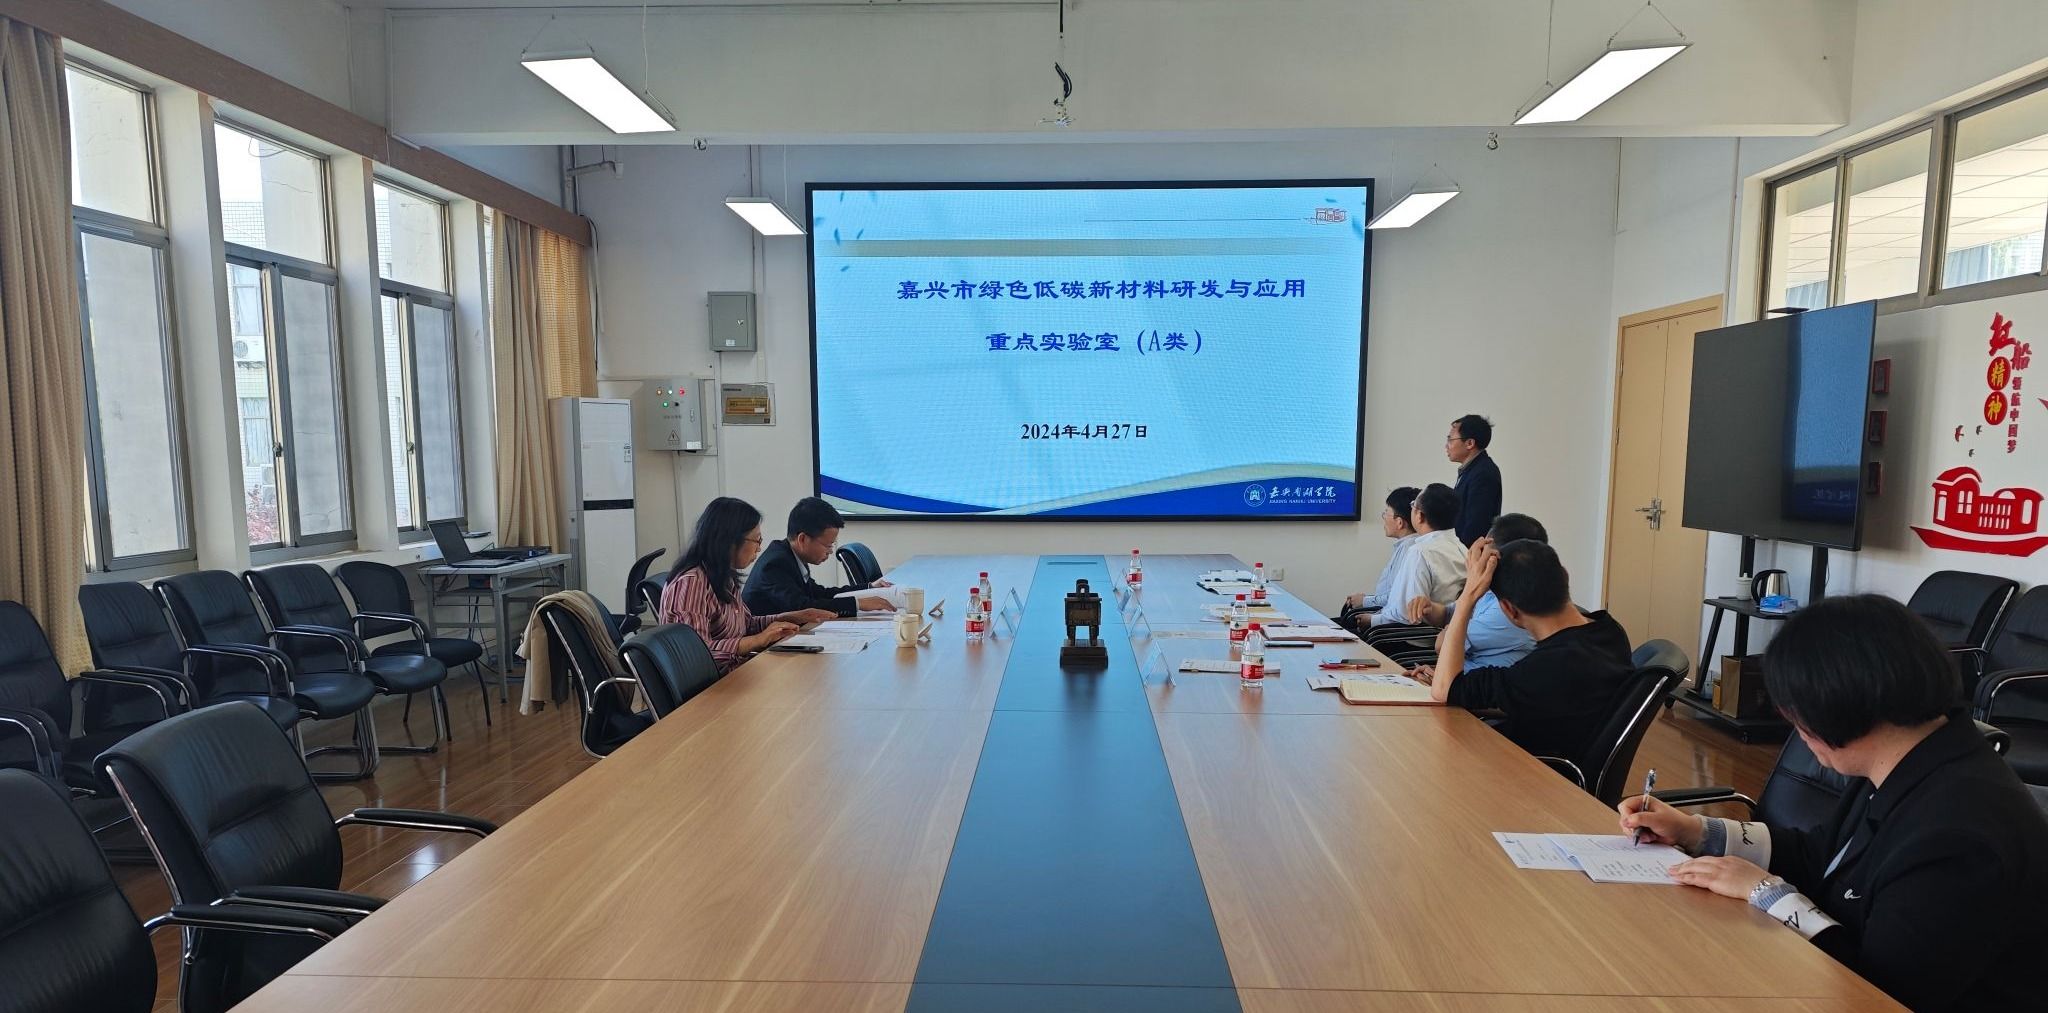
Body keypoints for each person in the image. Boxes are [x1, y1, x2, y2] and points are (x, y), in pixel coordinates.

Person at [1620, 595, 2048, 1012]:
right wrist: (1696, 832)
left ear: (1840, 703)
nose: (1796, 729)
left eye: (1795, 713)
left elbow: (1878, 992)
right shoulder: (1911, 759)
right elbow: (1821, 854)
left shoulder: (1959, 838)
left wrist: (1764, 892)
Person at [1411, 536, 1632, 761]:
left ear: (1509, 609)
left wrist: (1469, 596)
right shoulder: (1610, 631)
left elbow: (1444, 691)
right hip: (1554, 757)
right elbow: (1543, 700)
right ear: (1564, 576)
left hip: (1524, 770)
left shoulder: (1544, 668)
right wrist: (1462, 691)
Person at [658, 497, 837, 673]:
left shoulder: (723, 575)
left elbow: (747, 624)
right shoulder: (691, 583)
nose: (759, 548)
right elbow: (695, 654)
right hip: (713, 686)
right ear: (730, 541)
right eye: (757, 540)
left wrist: (794, 617)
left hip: (738, 672)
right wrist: (758, 640)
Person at [1383, 512, 1545, 668]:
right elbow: (1448, 614)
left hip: (1475, 684)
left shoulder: (1508, 608)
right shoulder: (1492, 591)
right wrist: (1429, 608)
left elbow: (1442, 644)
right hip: (1461, 678)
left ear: (1494, 557)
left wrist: (1472, 583)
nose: (1476, 556)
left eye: (1483, 549)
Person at [743, 497, 893, 618]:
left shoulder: (792, 555)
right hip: (766, 643)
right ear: (803, 539)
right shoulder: (775, 564)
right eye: (828, 545)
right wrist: (857, 604)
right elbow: (802, 607)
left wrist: (869, 587)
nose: (830, 551)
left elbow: (819, 594)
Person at [1364, 483, 1465, 634]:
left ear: (1420, 516)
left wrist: (1372, 620)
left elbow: (1406, 613)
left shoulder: (1420, 552)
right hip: (1445, 636)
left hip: (1406, 639)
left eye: (1413, 505)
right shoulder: (1463, 550)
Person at [1336, 486, 1420, 631]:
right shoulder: (1407, 546)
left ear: (1399, 522)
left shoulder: (1411, 550)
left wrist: (1365, 602)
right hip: (1385, 618)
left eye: (1386, 513)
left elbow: (1396, 598)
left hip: (1390, 629)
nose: (1383, 518)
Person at [1447, 414, 1501, 547]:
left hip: (1469, 553)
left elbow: (1476, 525)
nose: (1446, 445)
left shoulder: (1483, 474)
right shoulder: (1471, 470)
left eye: (1450, 439)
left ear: (1470, 443)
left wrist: (1459, 553)